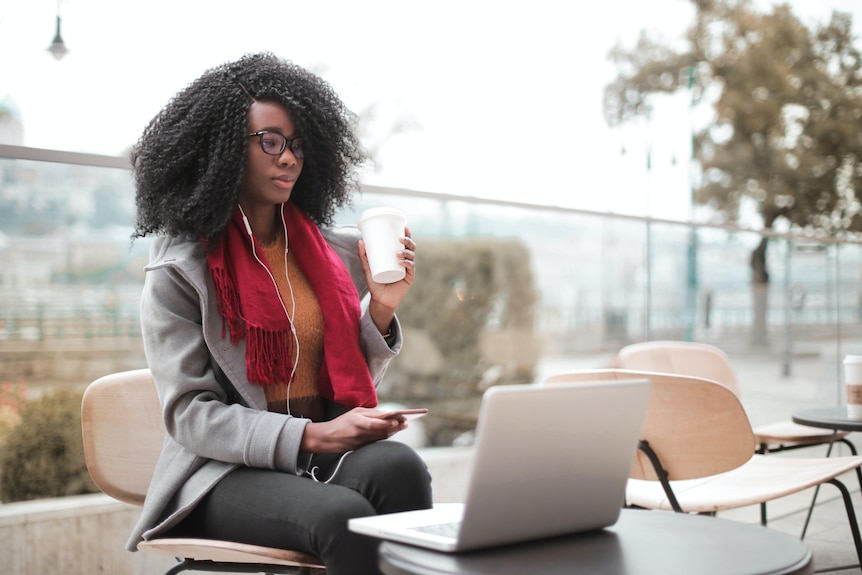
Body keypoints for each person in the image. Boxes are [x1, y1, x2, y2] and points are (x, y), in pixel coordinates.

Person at [128, 52, 433, 575]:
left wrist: (381, 307)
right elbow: (190, 415)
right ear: (222, 149)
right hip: (223, 472)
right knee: (343, 516)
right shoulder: (181, 270)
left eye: (296, 143)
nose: (288, 157)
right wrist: (314, 437)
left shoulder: (330, 252)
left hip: (316, 449)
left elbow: (341, 371)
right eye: (270, 141)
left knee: (402, 467)